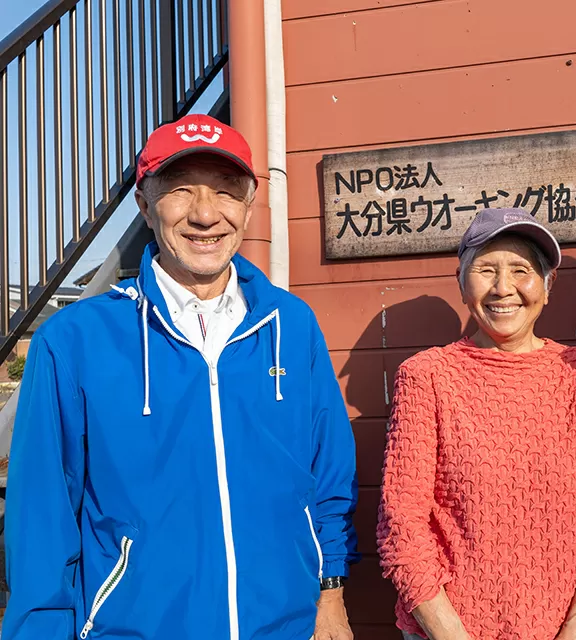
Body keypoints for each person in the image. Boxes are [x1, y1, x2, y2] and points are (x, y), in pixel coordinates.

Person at [2, 114, 359, 640]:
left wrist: (330, 594)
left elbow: (328, 474)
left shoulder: (291, 323)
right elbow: (41, 523)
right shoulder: (74, 339)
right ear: (145, 205)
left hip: (286, 626)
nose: (205, 214)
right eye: (180, 191)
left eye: (225, 192)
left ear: (249, 204)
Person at [376, 208, 576, 640]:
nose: (503, 288)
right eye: (486, 269)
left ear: (548, 286)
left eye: (521, 270)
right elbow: (402, 522)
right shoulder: (426, 376)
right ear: (461, 283)